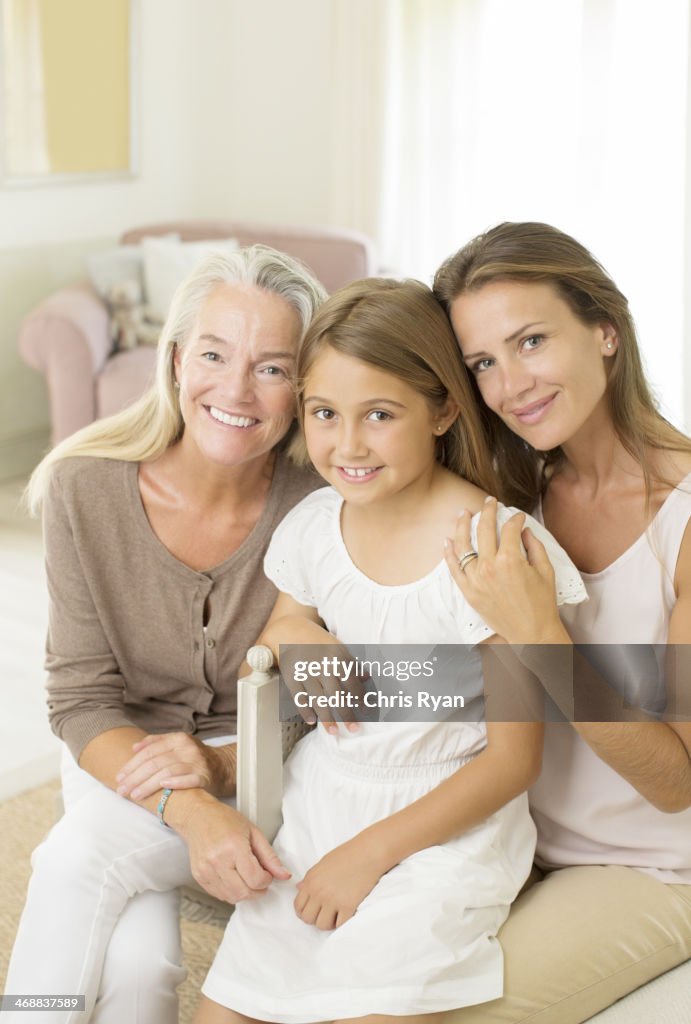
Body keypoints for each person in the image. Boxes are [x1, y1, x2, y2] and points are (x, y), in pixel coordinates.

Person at [193, 278, 589, 1024]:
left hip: (444, 827)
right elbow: (282, 623)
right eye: (323, 414)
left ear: (441, 408)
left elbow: (513, 762)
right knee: (227, 1009)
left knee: (364, 1006)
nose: (346, 445)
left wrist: (369, 855)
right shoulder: (315, 524)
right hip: (323, 804)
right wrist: (301, 644)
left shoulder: (492, 550)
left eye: (379, 414)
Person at [5, 246, 327, 1024]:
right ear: (177, 360)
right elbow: (82, 698)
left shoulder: (323, 501)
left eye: (273, 368)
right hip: (121, 746)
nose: (236, 389)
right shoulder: (85, 485)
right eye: (214, 354)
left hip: (262, 759)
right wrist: (190, 806)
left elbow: (326, 692)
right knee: (142, 969)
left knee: (79, 864)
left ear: (304, 387)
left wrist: (221, 768)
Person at [432, 221, 691, 1024]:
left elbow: (674, 780)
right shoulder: (515, 492)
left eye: (531, 340)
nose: (509, 385)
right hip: (513, 835)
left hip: (648, 866)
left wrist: (541, 633)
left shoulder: (680, 522)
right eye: (482, 362)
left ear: (605, 331)